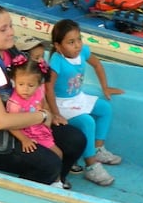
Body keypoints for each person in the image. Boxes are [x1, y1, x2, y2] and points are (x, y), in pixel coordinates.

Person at [0, 5, 85, 186]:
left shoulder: (8, 51)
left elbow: (36, 83)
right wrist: (43, 116)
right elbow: (1, 121)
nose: (11, 32)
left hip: (21, 118)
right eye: (3, 29)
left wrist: (48, 111)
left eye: (11, 26)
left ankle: (57, 181)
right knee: (49, 163)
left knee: (75, 140)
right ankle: (36, 185)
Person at [49, 19, 122, 186]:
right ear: (58, 46)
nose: (77, 45)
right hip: (62, 103)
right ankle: (91, 166)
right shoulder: (57, 60)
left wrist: (105, 87)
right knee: (87, 122)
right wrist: (55, 113)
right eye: (71, 42)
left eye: (79, 39)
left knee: (105, 108)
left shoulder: (83, 52)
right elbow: (48, 88)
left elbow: (97, 65)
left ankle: (98, 149)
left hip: (78, 97)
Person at [6, 56, 66, 181]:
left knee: (60, 151)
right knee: (58, 154)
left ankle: (57, 180)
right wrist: (24, 139)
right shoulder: (15, 104)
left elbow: (43, 104)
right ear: (14, 80)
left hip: (41, 130)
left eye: (31, 85)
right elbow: (10, 125)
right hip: (29, 135)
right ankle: (57, 182)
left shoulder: (38, 92)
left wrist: (49, 117)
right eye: (21, 84)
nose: (25, 89)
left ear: (39, 84)